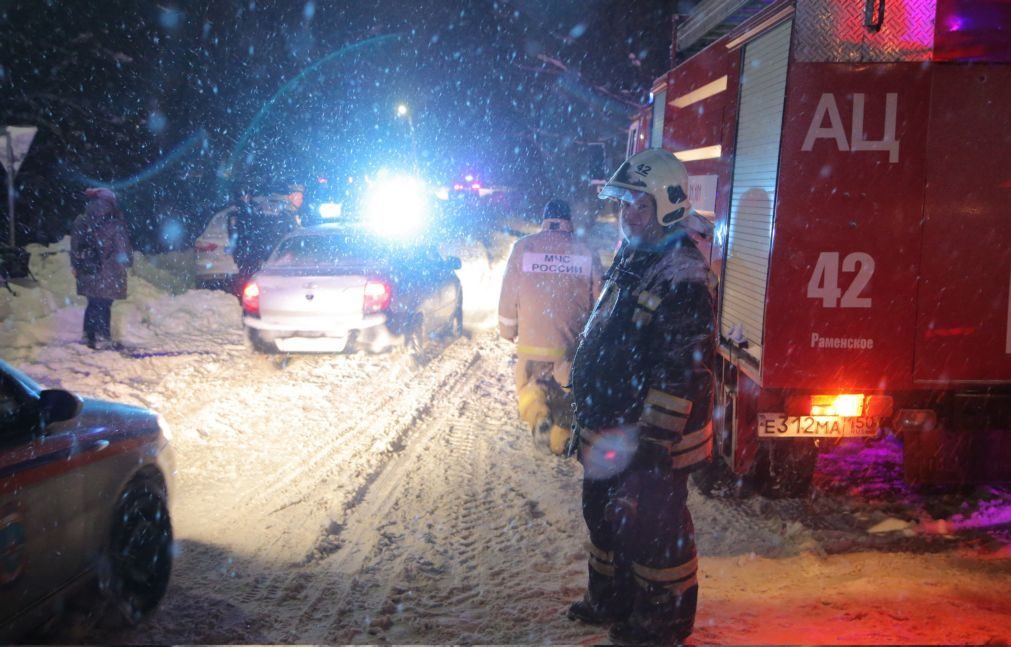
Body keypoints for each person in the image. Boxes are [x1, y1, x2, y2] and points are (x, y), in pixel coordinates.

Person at [565, 148, 716, 644]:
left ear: (668, 207)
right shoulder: (637, 251)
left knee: (654, 530)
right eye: (624, 203)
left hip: (650, 439)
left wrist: (653, 449)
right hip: (612, 427)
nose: (627, 213)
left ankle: (662, 622)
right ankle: (610, 599)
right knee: (603, 515)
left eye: (639, 204)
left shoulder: (682, 274)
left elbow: (680, 375)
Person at [498, 198, 602, 455]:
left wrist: (508, 329)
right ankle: (562, 440)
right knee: (567, 396)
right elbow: (601, 299)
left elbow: (509, 292)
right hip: (569, 345)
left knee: (529, 387)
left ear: (544, 220)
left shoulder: (523, 247)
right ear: (569, 221)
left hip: (532, 344)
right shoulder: (585, 250)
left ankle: (537, 415)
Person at [70, 187, 133, 350]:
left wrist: (77, 266)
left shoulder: (81, 221)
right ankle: (102, 336)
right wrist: (124, 264)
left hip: (88, 269)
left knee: (92, 302)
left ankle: (88, 335)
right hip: (109, 271)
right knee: (104, 303)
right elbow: (122, 249)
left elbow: (75, 247)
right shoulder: (115, 223)